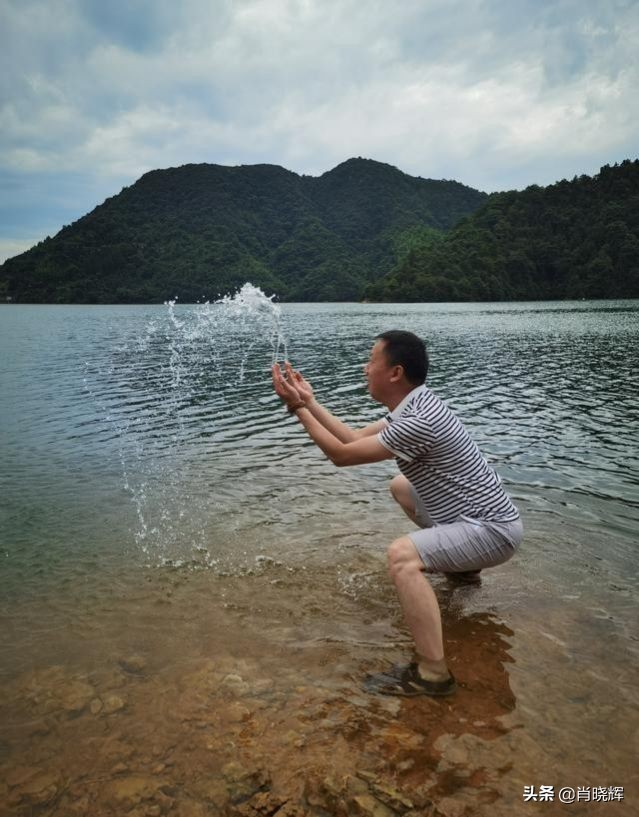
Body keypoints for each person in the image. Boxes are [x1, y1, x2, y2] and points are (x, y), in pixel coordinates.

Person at [271, 330, 522, 697]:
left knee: (402, 557)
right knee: (401, 485)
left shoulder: (420, 421)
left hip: (492, 532)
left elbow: (341, 456)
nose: (364, 368)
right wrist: (309, 402)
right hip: (485, 524)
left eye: (371, 361)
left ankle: (433, 674)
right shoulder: (417, 406)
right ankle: (466, 570)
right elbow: (353, 438)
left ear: (394, 372)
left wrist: (296, 409)